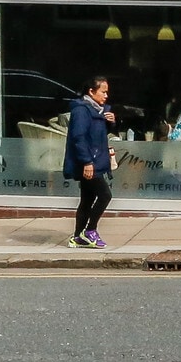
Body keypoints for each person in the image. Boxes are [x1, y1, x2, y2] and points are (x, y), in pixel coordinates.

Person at [63, 75, 114, 249]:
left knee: (87, 199)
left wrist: (111, 123)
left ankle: (77, 237)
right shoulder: (82, 110)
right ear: (91, 91)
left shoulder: (99, 111)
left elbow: (98, 135)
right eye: (103, 92)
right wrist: (87, 162)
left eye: (107, 92)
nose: (106, 95)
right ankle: (89, 230)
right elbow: (79, 137)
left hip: (96, 161)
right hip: (89, 164)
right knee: (105, 195)